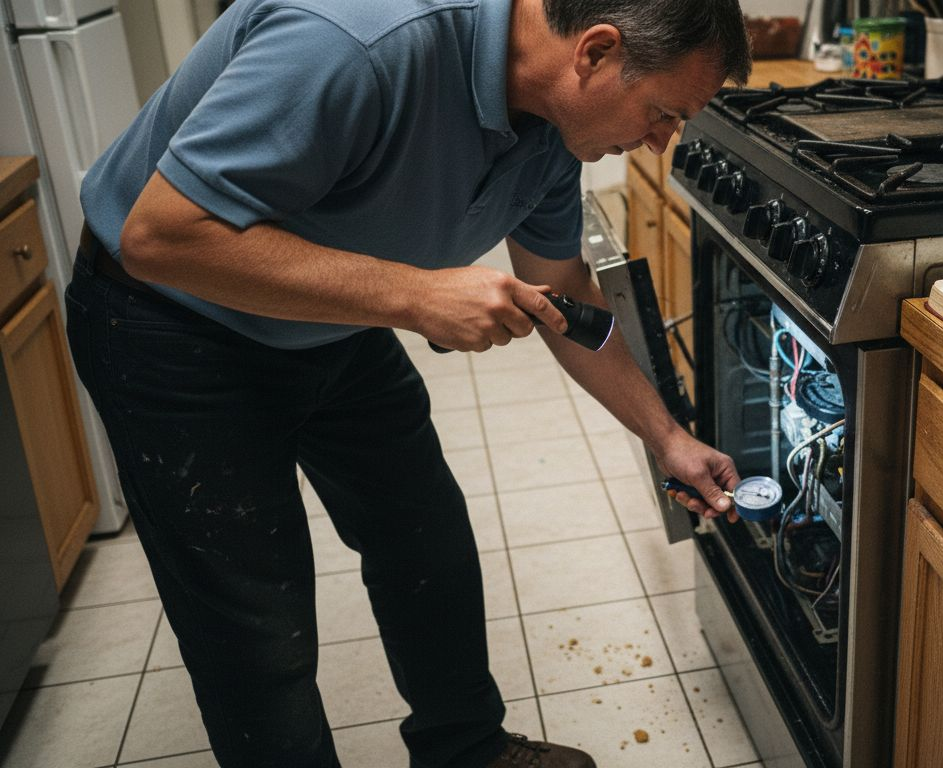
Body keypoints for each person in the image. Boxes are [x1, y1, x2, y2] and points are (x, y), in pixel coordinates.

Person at [64, 0, 751, 765]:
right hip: (170, 324)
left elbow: (564, 286)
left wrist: (668, 437)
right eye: (662, 114)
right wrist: (416, 295)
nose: (660, 145)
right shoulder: (354, 43)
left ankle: (465, 750)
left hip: (327, 320)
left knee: (427, 543)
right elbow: (160, 236)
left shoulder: (558, 128)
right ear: (594, 51)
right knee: (258, 625)